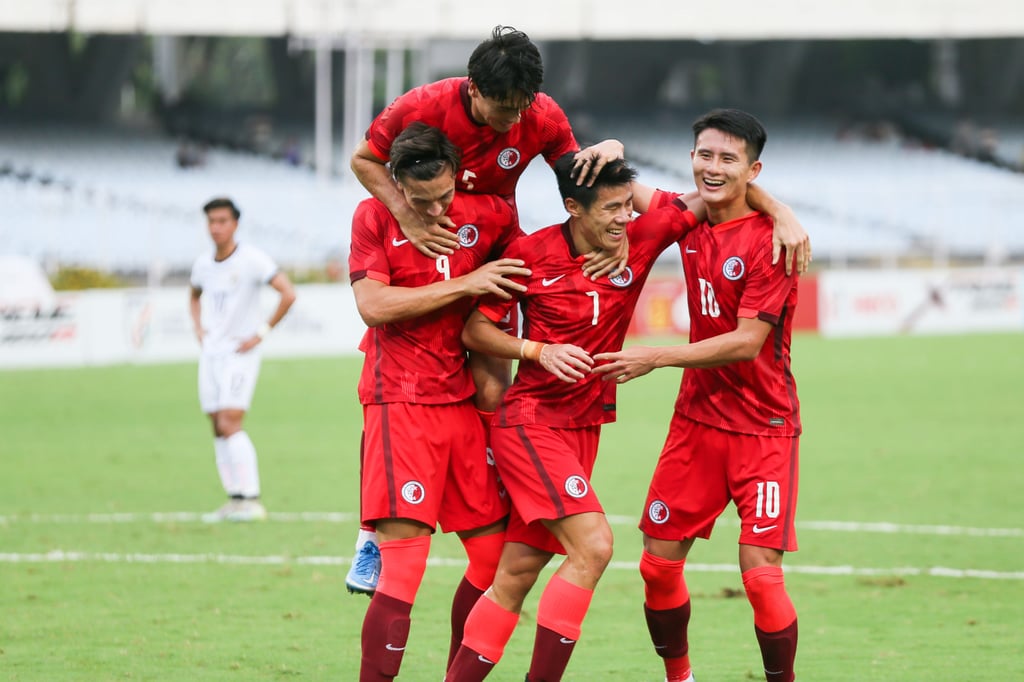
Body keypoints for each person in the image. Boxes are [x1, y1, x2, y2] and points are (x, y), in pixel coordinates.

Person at [345, 23, 627, 597]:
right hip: (433, 222)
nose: (511, 122)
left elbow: (579, 180)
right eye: (501, 109)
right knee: (393, 389)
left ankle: (498, 490)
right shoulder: (421, 105)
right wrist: (406, 214)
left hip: (494, 236)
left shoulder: (542, 114)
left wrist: (614, 160)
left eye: (520, 108)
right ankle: (372, 531)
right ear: (473, 88)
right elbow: (363, 160)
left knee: (493, 385)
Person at [445, 153, 710, 682]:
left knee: (516, 575)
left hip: (584, 428)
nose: (623, 218)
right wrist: (537, 350)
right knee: (594, 546)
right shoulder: (528, 255)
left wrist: (779, 209)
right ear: (572, 207)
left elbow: (711, 196)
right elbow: (475, 331)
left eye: (627, 206)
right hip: (531, 422)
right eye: (611, 208)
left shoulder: (640, 236)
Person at [593, 109, 802, 682]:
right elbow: (620, 185)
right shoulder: (684, 219)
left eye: (728, 159)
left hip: (764, 426)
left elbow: (746, 342)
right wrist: (610, 147)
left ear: (752, 169)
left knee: (760, 576)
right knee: (657, 567)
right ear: (691, 159)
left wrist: (653, 355)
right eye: (704, 155)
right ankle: (679, 678)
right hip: (697, 422)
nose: (713, 168)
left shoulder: (774, 242)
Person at [349, 122, 531, 680]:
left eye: (445, 196)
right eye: (421, 201)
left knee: (493, 558)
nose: (435, 210)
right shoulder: (374, 217)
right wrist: (466, 285)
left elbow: (527, 274)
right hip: (399, 399)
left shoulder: (492, 216)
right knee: (406, 566)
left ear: (460, 176)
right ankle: (371, 536)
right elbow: (374, 306)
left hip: (461, 402)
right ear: (397, 186)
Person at [189, 197, 296, 522]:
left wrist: (261, 333)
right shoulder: (203, 264)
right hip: (212, 355)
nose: (216, 227)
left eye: (222, 221)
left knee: (230, 422)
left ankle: (251, 498)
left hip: (240, 354)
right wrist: (199, 329)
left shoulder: (252, 259)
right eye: (211, 221)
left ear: (235, 224)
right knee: (216, 425)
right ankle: (234, 499)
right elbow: (194, 296)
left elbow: (287, 293)